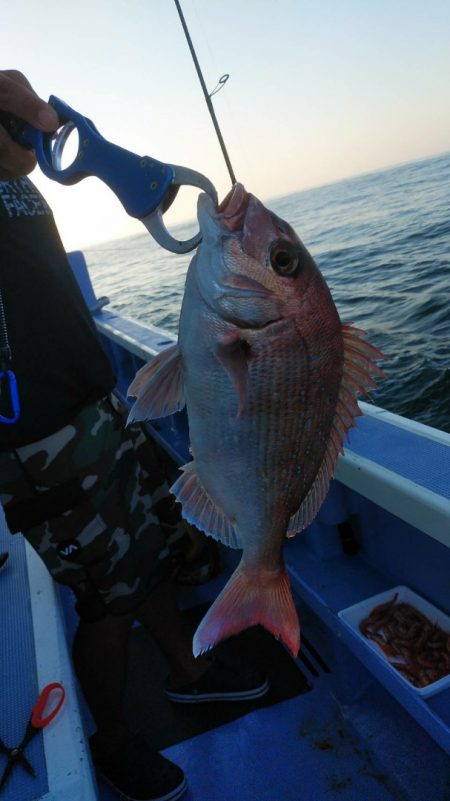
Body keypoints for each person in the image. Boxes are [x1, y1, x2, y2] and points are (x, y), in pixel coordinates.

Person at [0, 70, 269, 801]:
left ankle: (189, 671)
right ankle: (113, 742)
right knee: (106, 600)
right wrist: (26, 105)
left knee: (142, 555)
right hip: (39, 441)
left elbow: (30, 123)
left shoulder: (15, 172)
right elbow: (15, 87)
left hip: (95, 407)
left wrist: (97, 154)